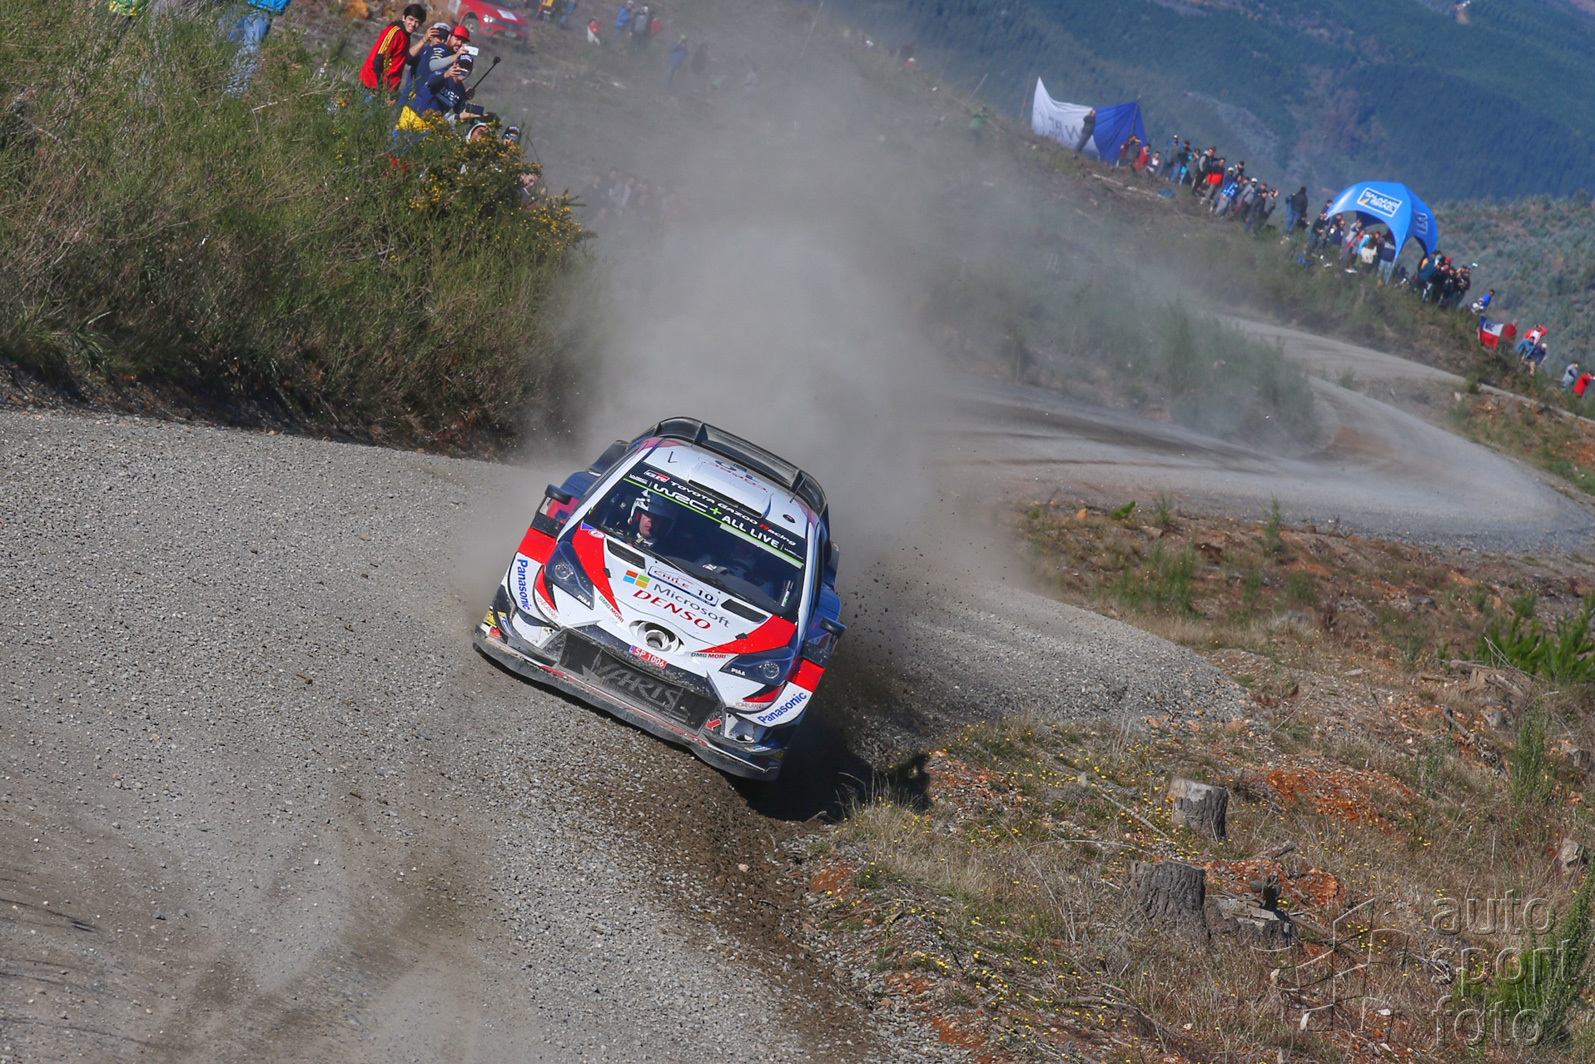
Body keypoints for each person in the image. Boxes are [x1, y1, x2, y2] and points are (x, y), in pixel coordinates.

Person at [361, 4, 426, 102]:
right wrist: (378, 87)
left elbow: (401, 62)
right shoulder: (394, 32)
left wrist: (391, 93)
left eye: (417, 22)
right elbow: (378, 58)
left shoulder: (406, 37)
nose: (413, 24)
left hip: (385, 90)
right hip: (373, 87)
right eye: (411, 19)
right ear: (404, 18)